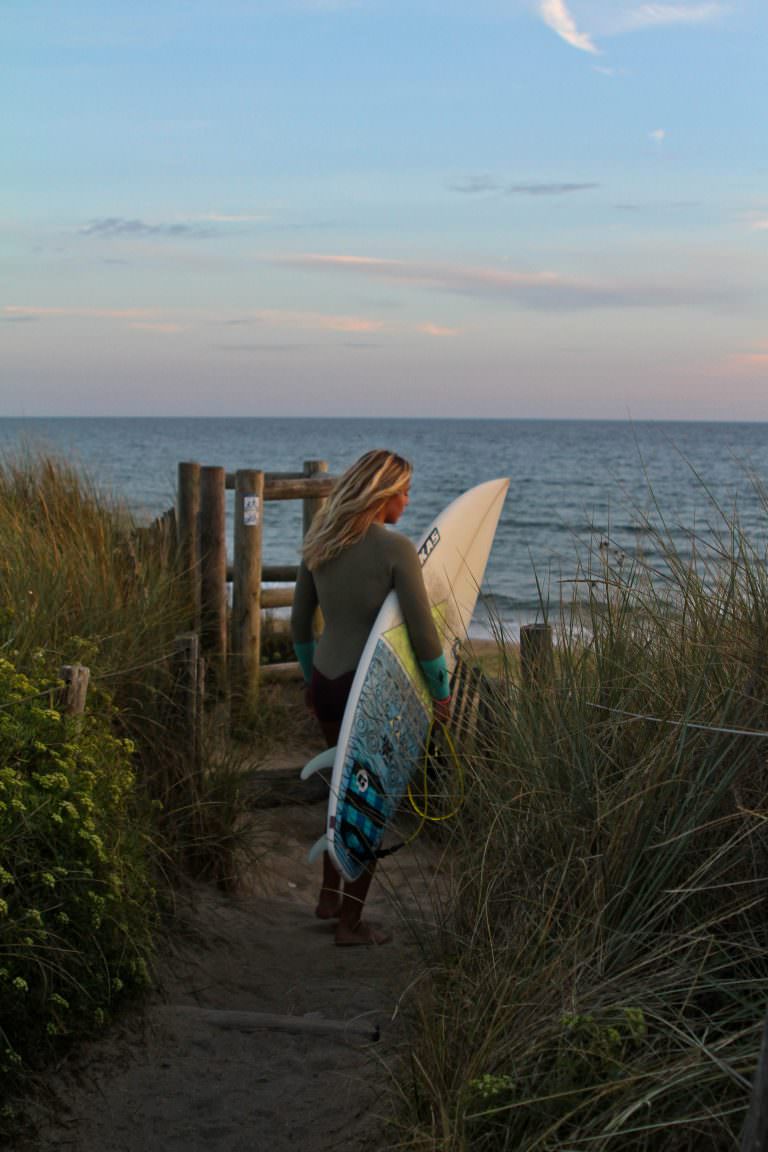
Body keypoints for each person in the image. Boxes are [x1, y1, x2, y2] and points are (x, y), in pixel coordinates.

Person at [291, 449, 451, 946]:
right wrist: (440, 692)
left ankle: (327, 897)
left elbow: (300, 626)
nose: (409, 498)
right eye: (403, 489)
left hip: (327, 680)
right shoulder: (395, 549)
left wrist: (311, 682)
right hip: (372, 694)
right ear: (383, 494)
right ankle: (350, 925)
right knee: (371, 802)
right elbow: (425, 636)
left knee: (341, 786)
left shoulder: (319, 542)